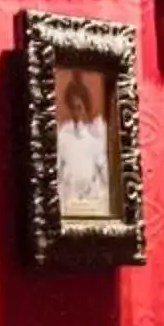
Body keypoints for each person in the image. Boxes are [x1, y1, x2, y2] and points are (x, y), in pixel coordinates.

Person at [55, 72, 111, 218]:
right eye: (73, 107)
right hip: (69, 201)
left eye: (79, 107)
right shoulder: (63, 136)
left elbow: (104, 173)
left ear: (86, 107)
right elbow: (58, 172)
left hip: (91, 202)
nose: (76, 112)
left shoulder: (95, 138)